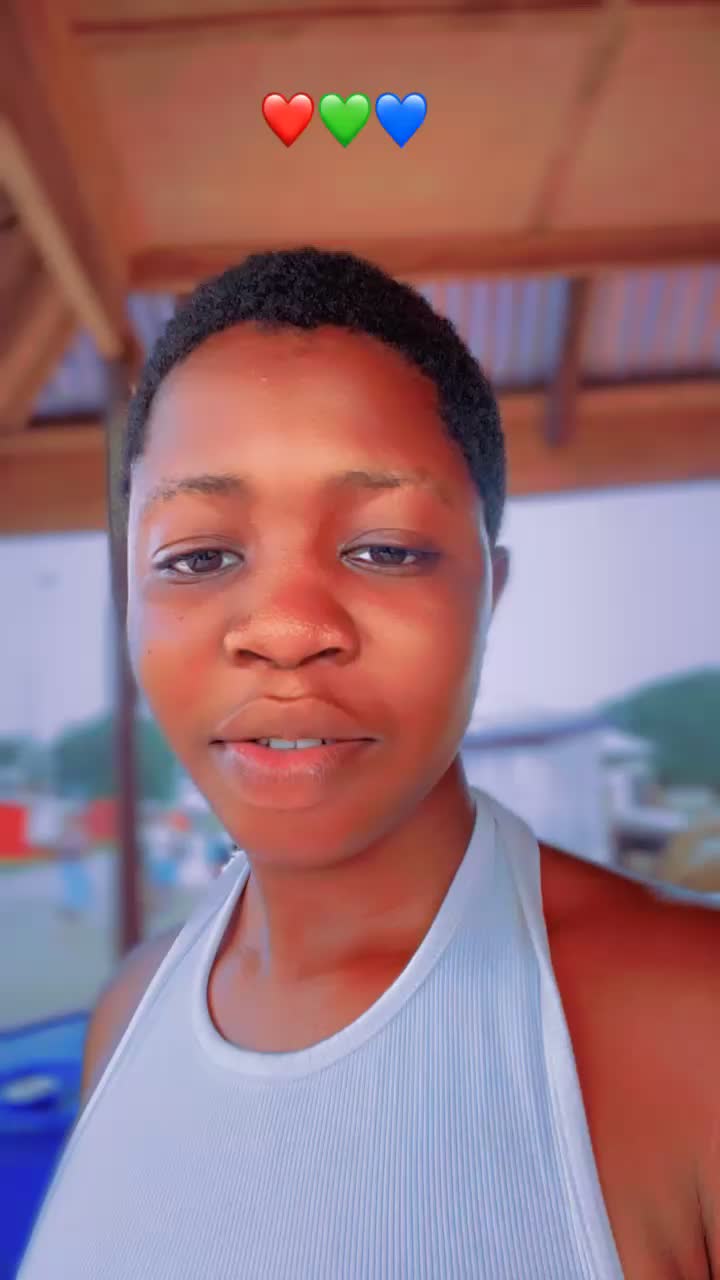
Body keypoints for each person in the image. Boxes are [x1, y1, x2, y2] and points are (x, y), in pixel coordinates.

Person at [18, 249, 719, 1279]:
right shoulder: (128, 1014)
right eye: (199, 556)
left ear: (490, 594)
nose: (286, 629)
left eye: (385, 547)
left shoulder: (691, 1027)